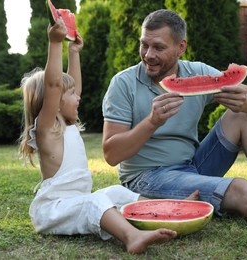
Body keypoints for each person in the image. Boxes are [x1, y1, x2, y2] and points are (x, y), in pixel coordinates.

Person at [102, 9, 247, 233]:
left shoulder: (196, 71)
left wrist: (246, 103)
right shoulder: (123, 84)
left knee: (243, 115)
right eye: (144, 44)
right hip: (146, 178)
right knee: (240, 188)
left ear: (180, 47)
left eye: (158, 47)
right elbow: (111, 155)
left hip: (193, 165)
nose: (148, 55)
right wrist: (151, 122)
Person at [18, 18, 199, 254]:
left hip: (76, 202)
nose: (79, 97)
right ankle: (132, 237)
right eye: (71, 95)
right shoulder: (47, 131)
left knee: (116, 192)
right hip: (55, 210)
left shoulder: (67, 124)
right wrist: (55, 43)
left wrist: (74, 53)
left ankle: (171, 209)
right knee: (96, 201)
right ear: (54, 103)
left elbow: (71, 86)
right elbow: (54, 86)